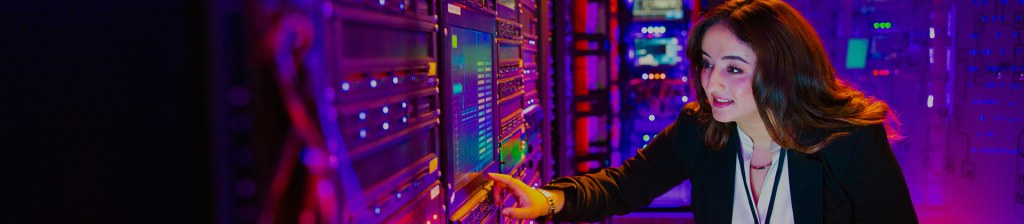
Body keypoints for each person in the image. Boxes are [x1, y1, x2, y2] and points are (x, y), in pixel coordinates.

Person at [486, 0, 918, 223]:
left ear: (782, 70)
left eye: (733, 68)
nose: (712, 84)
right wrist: (547, 200)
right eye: (707, 64)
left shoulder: (850, 140)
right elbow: (625, 185)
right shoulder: (701, 128)